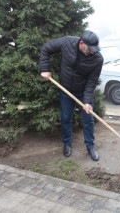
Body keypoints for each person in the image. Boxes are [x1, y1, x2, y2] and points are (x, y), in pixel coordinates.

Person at [39, 30, 104, 161]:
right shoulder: (67, 42)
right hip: (65, 89)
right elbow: (46, 48)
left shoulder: (97, 59)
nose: (92, 51)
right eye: (90, 49)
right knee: (66, 118)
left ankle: (90, 146)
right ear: (81, 43)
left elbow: (92, 82)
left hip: (83, 91)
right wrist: (45, 69)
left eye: (94, 49)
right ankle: (67, 143)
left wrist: (87, 101)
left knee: (88, 119)